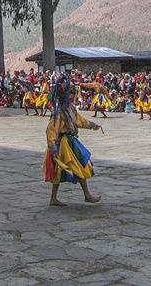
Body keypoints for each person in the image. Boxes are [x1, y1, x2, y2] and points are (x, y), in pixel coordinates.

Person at [43, 75, 102, 206]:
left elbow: (80, 121)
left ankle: (56, 198)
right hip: (62, 144)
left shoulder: (70, 109)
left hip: (70, 142)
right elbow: (51, 131)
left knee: (73, 166)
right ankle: (85, 195)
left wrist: (92, 125)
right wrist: (52, 148)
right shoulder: (59, 113)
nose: (73, 97)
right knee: (75, 166)